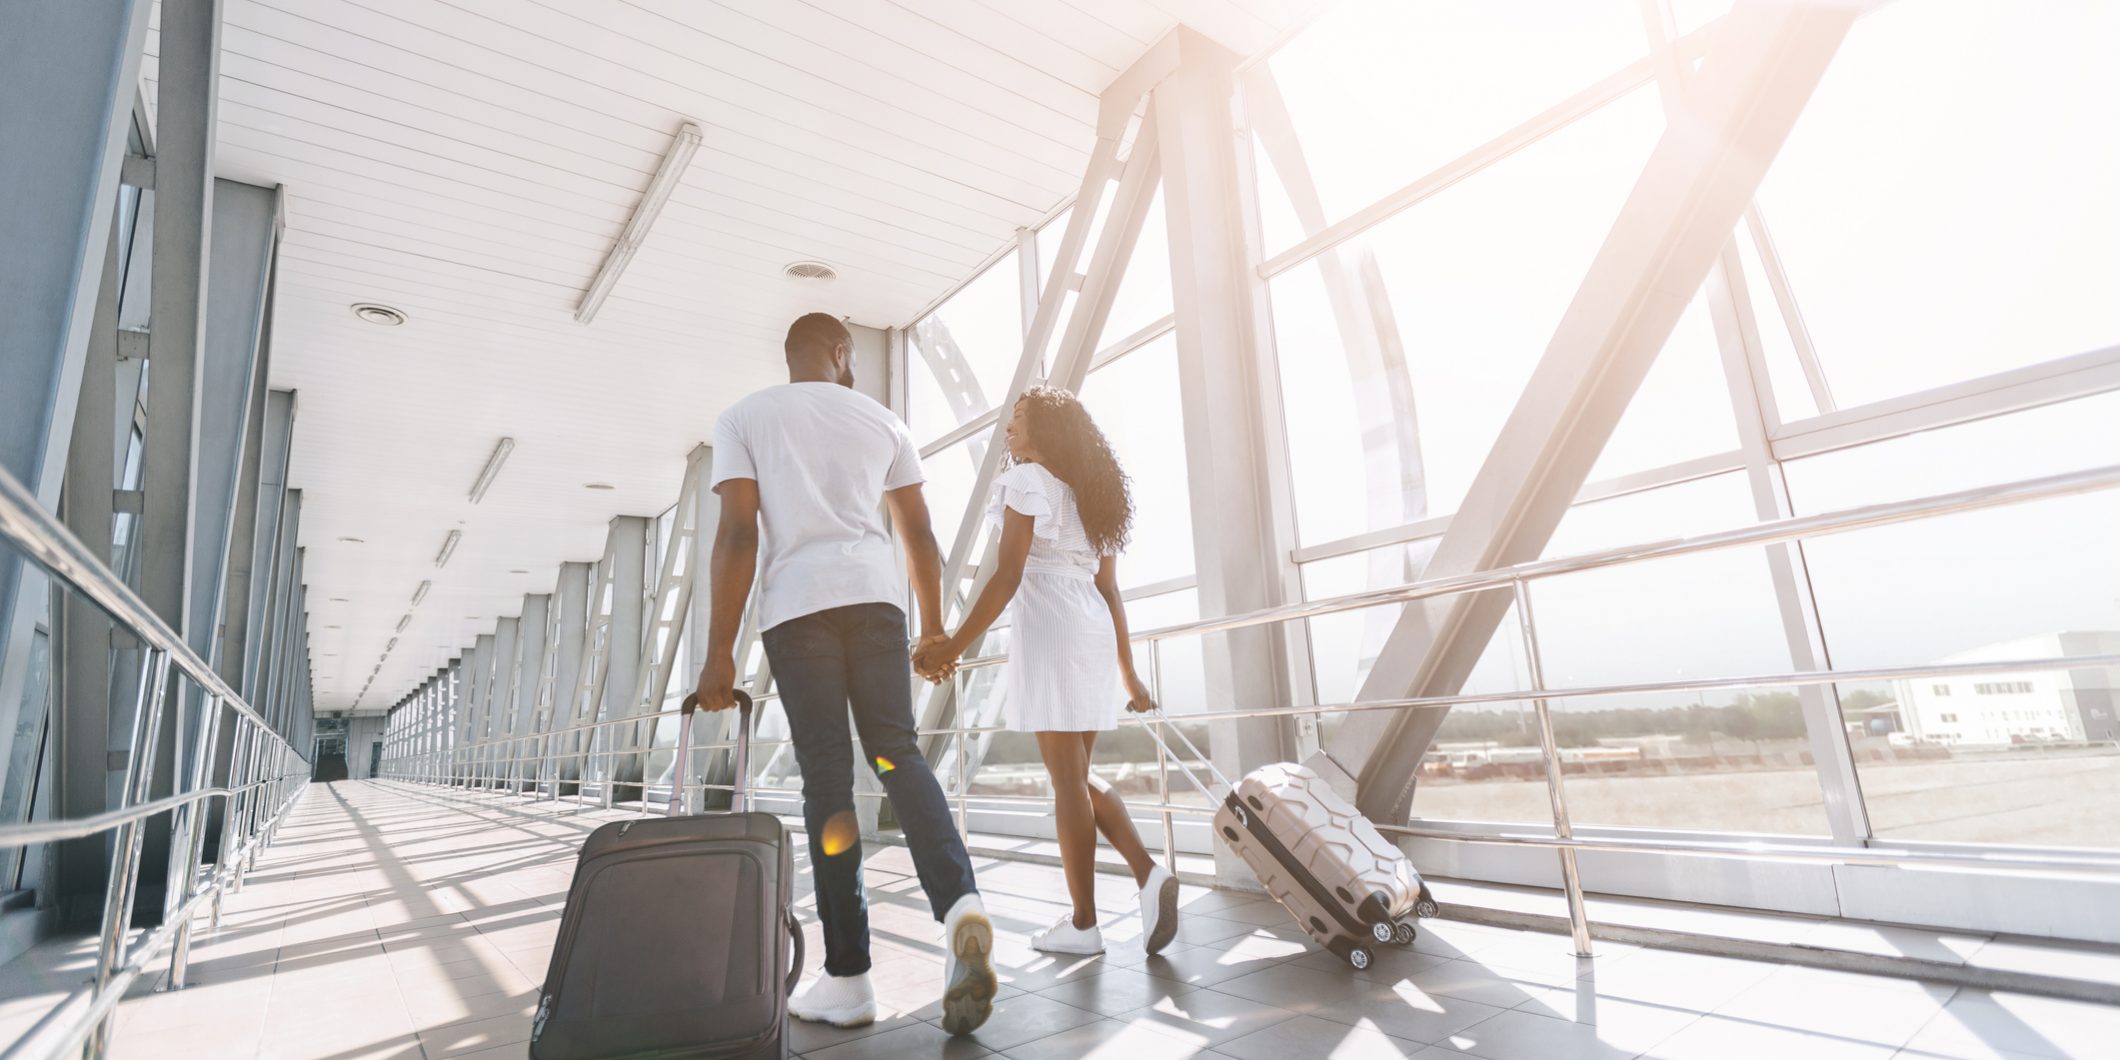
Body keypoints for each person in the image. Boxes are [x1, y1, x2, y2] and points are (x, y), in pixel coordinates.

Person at [690, 313, 994, 1035]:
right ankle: (960, 905)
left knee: (828, 778)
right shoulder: (884, 420)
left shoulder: (744, 418)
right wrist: (934, 628)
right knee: (896, 752)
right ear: (839, 352)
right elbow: (918, 534)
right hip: (876, 601)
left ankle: (850, 978)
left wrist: (719, 651)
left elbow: (737, 532)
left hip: (798, 610)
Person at [914, 386, 1179, 957]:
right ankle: (1148, 876)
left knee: (1067, 782)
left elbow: (1007, 577)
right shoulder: (1096, 496)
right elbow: (1109, 591)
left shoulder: (1028, 481)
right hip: (1089, 630)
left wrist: (951, 646)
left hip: (1054, 630)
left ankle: (1085, 924)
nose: (1009, 429)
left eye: (1019, 418)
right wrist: (1128, 674)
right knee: (1077, 777)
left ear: (1046, 430)